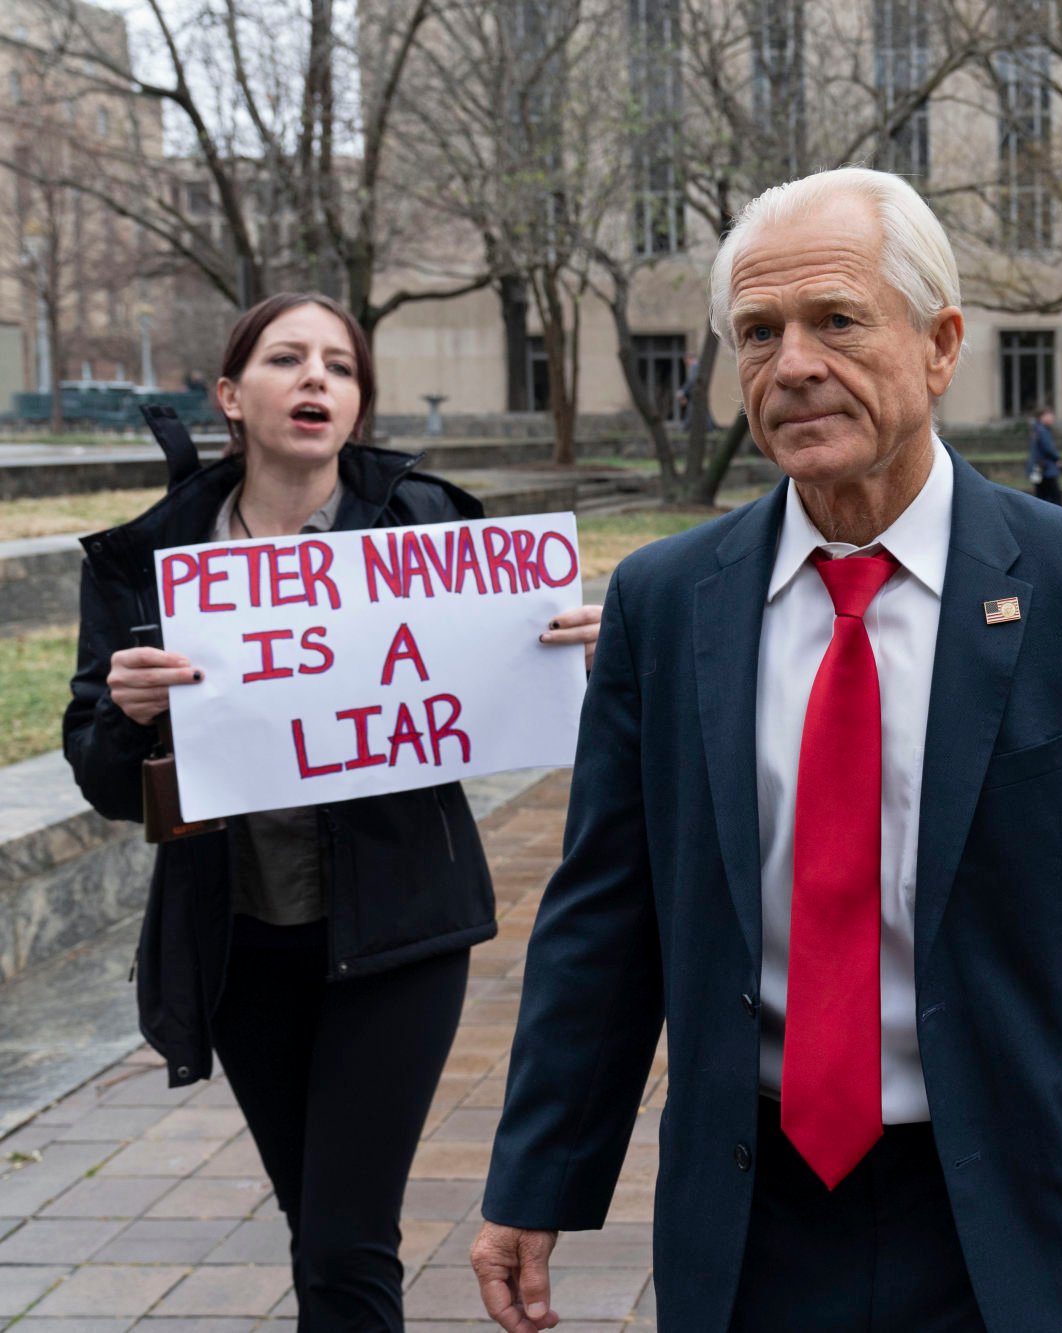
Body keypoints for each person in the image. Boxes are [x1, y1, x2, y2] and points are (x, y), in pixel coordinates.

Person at [470, 167, 1062, 1333]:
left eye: (836, 321)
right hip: (755, 1221)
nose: (792, 361)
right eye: (758, 332)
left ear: (940, 344)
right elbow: (605, 917)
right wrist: (535, 1181)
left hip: (1030, 1214)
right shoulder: (666, 603)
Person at [63, 292, 602, 1329]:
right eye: (286, 359)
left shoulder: (427, 525)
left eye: (339, 366)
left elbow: (496, 686)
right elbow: (98, 777)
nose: (316, 379)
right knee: (319, 1230)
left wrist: (572, 650)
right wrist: (127, 716)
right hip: (238, 940)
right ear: (230, 394)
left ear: (358, 403)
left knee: (348, 1240)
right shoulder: (147, 560)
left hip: (398, 932)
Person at [1027, 403, 1062, 506]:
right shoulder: (1042, 431)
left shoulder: (1037, 429)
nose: (1052, 418)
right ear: (1042, 416)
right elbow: (1048, 448)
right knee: (1054, 497)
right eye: (1050, 415)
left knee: (1041, 497)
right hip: (1047, 468)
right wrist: (1058, 459)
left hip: (1039, 468)